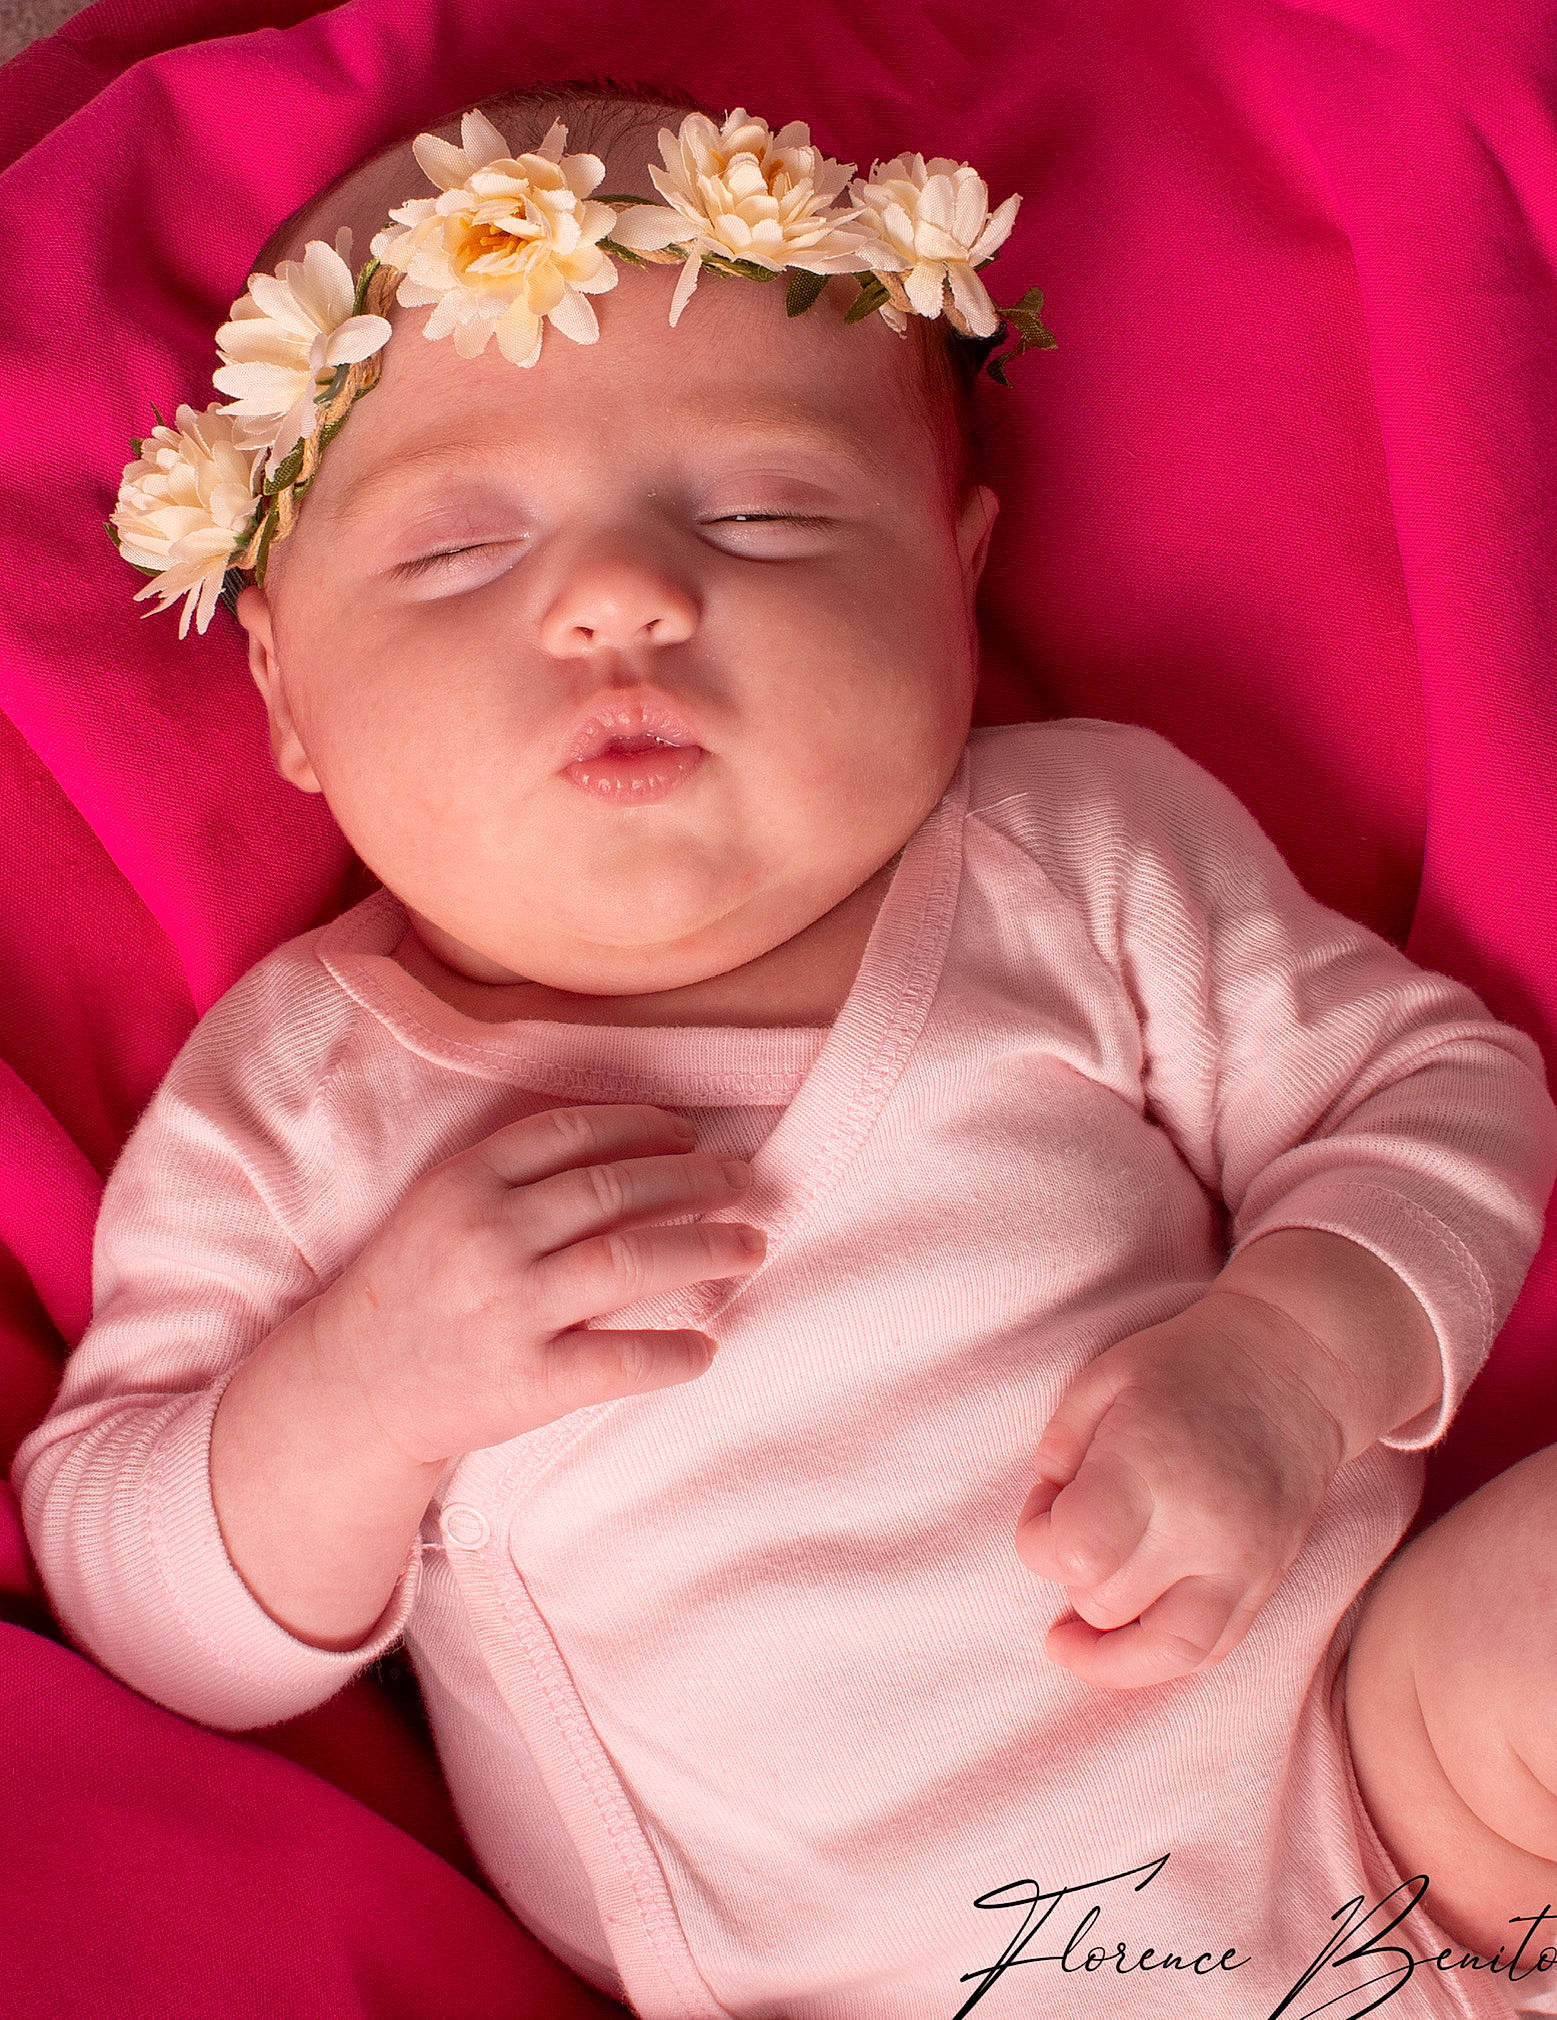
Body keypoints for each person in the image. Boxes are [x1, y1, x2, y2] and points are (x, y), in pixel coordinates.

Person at [15, 78, 1557, 2020]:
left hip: (1397, 1815)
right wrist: (360, 1389)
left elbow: (1429, 1087)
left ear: (955, 573)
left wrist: (1290, 1354)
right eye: (458, 552)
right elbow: (129, 1582)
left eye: (758, 509)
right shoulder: (304, 1100)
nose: (620, 596)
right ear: (286, 694)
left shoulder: (1073, 854)